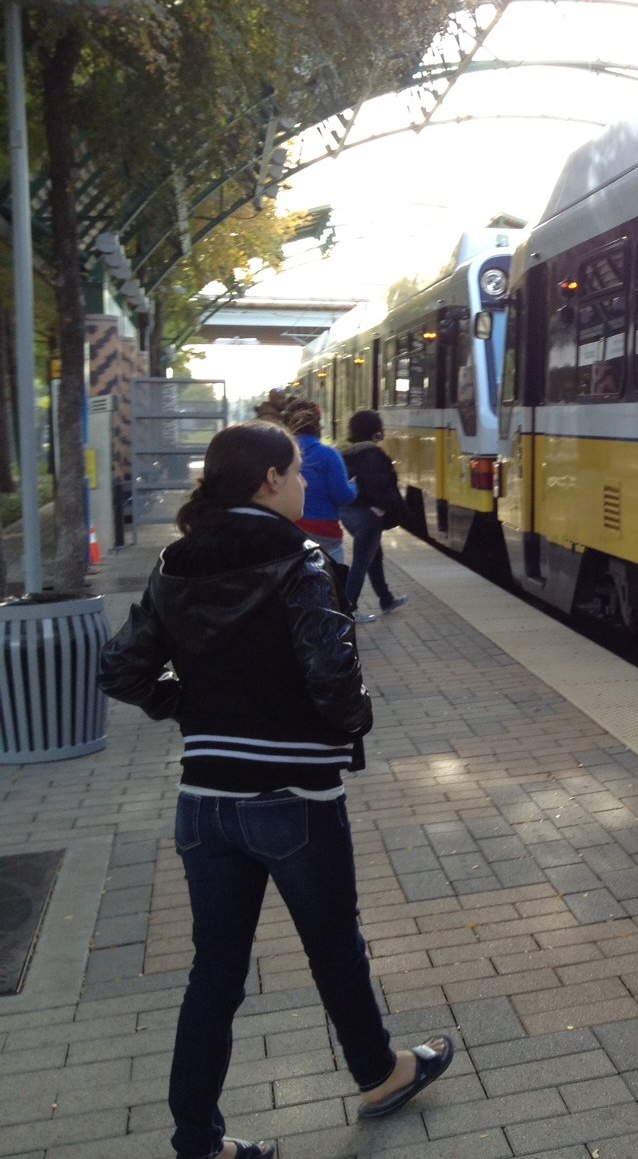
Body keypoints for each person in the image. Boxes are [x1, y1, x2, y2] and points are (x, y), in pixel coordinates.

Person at [97, 420, 454, 1159]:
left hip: (205, 802)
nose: (302, 482)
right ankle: (381, 1075)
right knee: (334, 948)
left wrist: (186, 706)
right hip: (295, 797)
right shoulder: (303, 559)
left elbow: (123, 670)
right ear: (269, 480)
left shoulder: (175, 561)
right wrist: (352, 721)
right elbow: (334, 680)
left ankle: (198, 1137)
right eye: (295, 472)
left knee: (215, 972)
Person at [338, 409, 411, 622]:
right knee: (361, 562)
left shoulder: (347, 453)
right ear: (375, 431)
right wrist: (392, 509)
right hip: (366, 516)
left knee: (374, 556)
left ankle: (386, 599)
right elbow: (380, 488)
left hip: (349, 513)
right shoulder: (372, 455)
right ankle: (348, 609)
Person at [281, 399, 355, 565]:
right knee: (334, 584)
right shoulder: (329, 455)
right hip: (325, 534)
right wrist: (354, 486)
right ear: (317, 425)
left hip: (290, 532)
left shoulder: (280, 454)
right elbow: (343, 496)